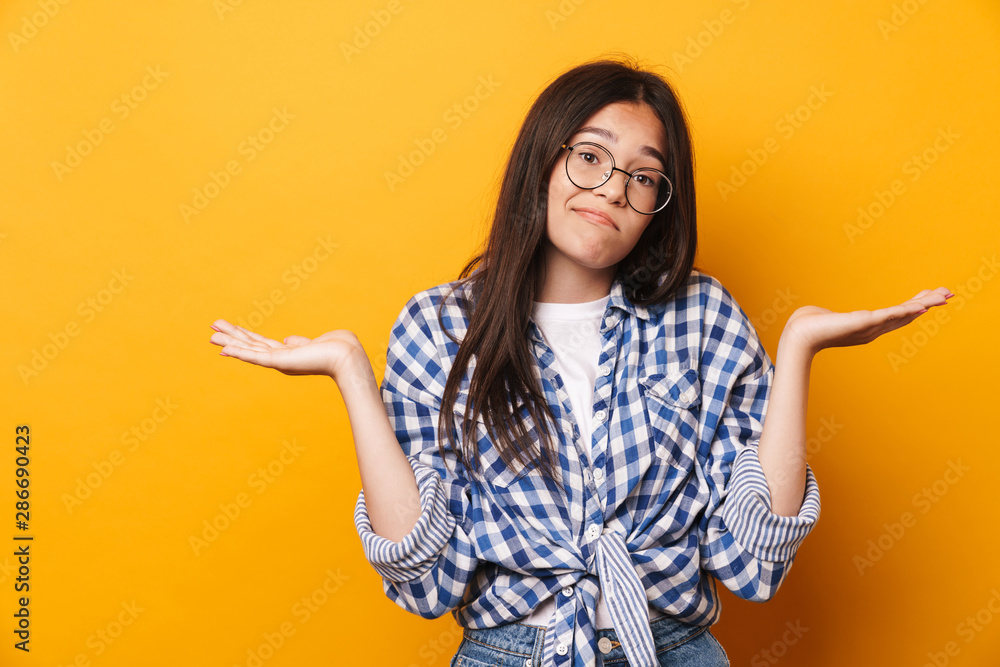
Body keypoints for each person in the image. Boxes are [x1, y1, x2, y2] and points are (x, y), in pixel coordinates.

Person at [208, 56, 952, 667]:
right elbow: (424, 573)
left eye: (643, 175)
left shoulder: (700, 314)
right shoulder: (440, 326)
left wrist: (798, 350)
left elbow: (753, 558)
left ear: (662, 199)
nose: (612, 190)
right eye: (591, 157)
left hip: (673, 648)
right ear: (544, 161)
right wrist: (349, 373)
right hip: (510, 652)